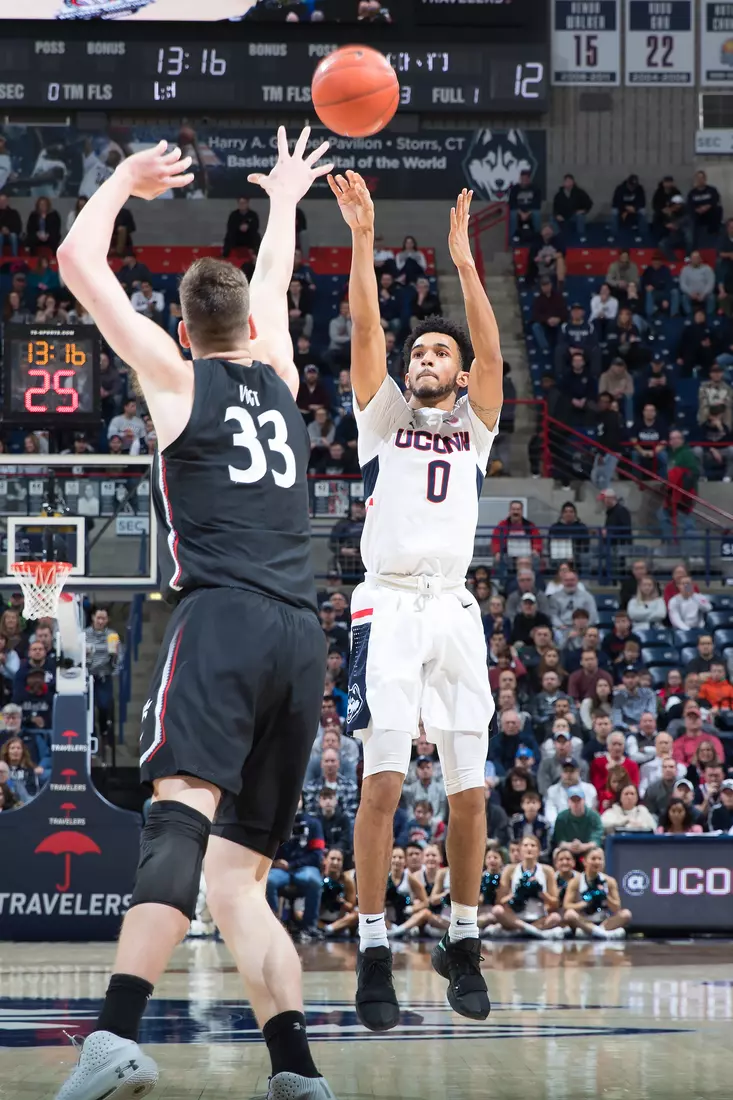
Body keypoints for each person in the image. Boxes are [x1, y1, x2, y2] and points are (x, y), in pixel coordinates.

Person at [54, 129, 337, 1100]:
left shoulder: (179, 380)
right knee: (236, 878)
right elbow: (278, 281)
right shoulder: (284, 378)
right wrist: (286, 198)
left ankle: (113, 1036)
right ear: (252, 326)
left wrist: (121, 181)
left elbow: (77, 264)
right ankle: (295, 1070)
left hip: (224, 621)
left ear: (184, 328)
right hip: (301, 637)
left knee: (177, 823)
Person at [330, 175, 502, 1030]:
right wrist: (362, 240)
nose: (423, 359)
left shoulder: (474, 428)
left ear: (457, 374)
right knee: (384, 785)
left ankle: (461, 941)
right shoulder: (381, 419)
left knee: (470, 791)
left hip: (454, 609)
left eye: (438, 354)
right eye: (418, 353)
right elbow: (366, 328)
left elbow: (493, 357)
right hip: (389, 605)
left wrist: (465, 264)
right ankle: (372, 948)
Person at [266, 803, 326, 941]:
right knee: (269, 881)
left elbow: (317, 855)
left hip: (304, 868)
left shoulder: (314, 824)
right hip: (281, 869)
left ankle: (309, 927)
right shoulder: (277, 823)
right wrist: (275, 862)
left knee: (314, 881)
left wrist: (292, 864)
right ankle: (274, 927)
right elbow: (269, 847)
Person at [491, 835, 563, 939]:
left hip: (539, 918)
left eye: (533, 845)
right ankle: (534, 932)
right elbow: (499, 901)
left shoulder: (547, 870)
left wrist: (542, 894)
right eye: (525, 845)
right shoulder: (510, 869)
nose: (529, 848)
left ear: (538, 851)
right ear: (520, 850)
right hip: (515, 918)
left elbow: (555, 903)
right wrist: (515, 894)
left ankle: (520, 932)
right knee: (497, 911)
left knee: (555, 917)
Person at [562, 847, 631, 939]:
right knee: (569, 914)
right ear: (584, 862)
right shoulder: (575, 881)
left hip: (603, 921)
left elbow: (617, 908)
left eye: (600, 859)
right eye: (593, 859)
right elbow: (567, 906)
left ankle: (596, 932)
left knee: (626, 914)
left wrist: (606, 897)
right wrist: (585, 903)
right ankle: (602, 933)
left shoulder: (610, 881)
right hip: (584, 920)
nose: (597, 862)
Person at [551, 786, 604, 861]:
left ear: (584, 800)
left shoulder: (594, 816)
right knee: (557, 852)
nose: (576, 803)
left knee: (599, 852)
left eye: (578, 800)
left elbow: (596, 840)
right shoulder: (561, 817)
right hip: (567, 848)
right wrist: (570, 846)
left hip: (588, 848)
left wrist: (583, 846)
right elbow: (559, 840)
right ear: (568, 802)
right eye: (573, 800)